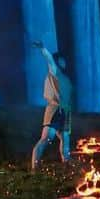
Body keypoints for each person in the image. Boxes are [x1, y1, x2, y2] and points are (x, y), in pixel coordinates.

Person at [30, 42, 73, 170]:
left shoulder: (65, 77)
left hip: (65, 111)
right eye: (63, 60)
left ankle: (67, 164)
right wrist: (43, 48)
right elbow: (49, 59)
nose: (65, 62)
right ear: (59, 60)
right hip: (55, 110)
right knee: (46, 138)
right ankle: (34, 167)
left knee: (65, 139)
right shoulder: (55, 71)